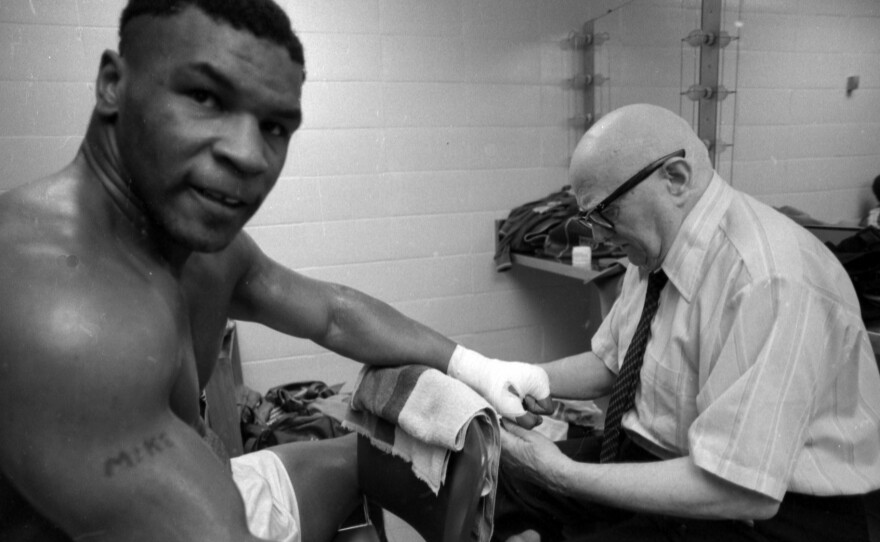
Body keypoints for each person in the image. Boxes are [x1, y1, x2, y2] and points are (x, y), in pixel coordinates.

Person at [0, 1, 550, 541]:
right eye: (204, 96)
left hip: (200, 482)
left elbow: (332, 315)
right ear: (112, 84)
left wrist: (475, 368)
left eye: (275, 126)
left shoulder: (201, 248)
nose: (248, 154)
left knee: (369, 458)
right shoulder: (64, 319)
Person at [493, 104, 880, 542]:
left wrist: (561, 473)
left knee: (546, 482)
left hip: (762, 512)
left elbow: (740, 488)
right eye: (589, 218)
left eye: (606, 213)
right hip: (663, 463)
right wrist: (519, 378)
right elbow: (612, 363)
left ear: (675, 178)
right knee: (500, 478)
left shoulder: (768, 280)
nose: (599, 235)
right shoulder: (654, 247)